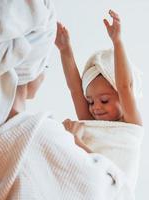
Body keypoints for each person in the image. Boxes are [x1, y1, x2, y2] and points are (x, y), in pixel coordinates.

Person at [0, 1, 135, 199]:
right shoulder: (41, 138)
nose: (95, 107)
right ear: (32, 69)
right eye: (45, 66)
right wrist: (74, 143)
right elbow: (119, 192)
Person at [55, 9, 144, 191]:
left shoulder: (131, 126)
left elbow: (125, 86)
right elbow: (75, 90)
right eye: (91, 101)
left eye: (104, 100)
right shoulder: (91, 121)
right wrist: (65, 49)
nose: (95, 108)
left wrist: (117, 41)